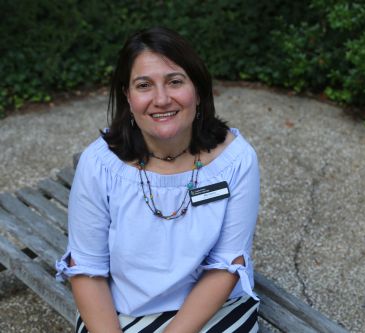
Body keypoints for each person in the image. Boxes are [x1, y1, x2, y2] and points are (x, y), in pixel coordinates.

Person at [55, 27, 260, 333]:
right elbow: (87, 270)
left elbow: (225, 265)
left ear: (199, 90)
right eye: (144, 85)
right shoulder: (100, 165)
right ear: (127, 95)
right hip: (118, 311)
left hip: (211, 309)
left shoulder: (236, 160)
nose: (161, 99)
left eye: (175, 82)